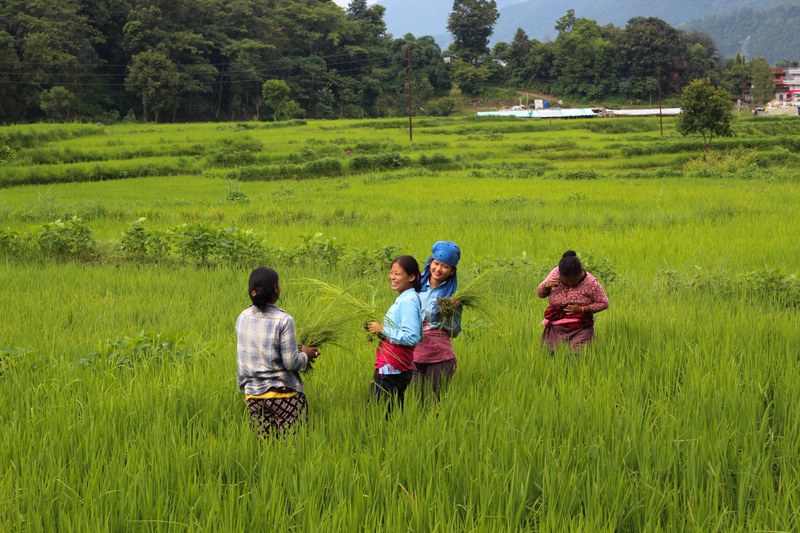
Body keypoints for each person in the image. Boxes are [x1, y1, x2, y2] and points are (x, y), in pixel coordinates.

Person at [236, 267, 320, 437]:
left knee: (266, 448)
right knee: (293, 446)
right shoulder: (284, 320)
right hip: (284, 395)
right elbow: (291, 362)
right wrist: (306, 355)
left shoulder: (242, 317)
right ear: (276, 289)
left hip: (253, 396)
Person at [366, 255, 423, 413]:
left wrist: (383, 329)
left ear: (411, 277)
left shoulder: (408, 301)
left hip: (392, 366)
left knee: (376, 414)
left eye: (397, 274)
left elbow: (412, 336)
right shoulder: (406, 299)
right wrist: (379, 332)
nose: (392, 277)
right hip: (393, 364)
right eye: (391, 272)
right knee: (390, 412)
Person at [413, 240, 462, 400]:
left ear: (452, 271)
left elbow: (454, 331)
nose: (439, 269)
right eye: (436, 263)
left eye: (445, 266)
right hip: (413, 355)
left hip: (439, 357)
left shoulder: (453, 297)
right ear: (430, 262)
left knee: (435, 403)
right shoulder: (414, 288)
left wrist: (449, 312)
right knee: (415, 402)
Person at [537, 250, 609, 353]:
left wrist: (582, 309)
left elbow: (604, 303)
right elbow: (540, 294)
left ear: (580, 272)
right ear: (560, 274)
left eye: (574, 281)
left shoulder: (591, 282)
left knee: (577, 357)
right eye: (566, 281)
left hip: (580, 327)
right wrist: (546, 286)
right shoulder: (555, 274)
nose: (570, 284)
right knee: (551, 355)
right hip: (556, 326)